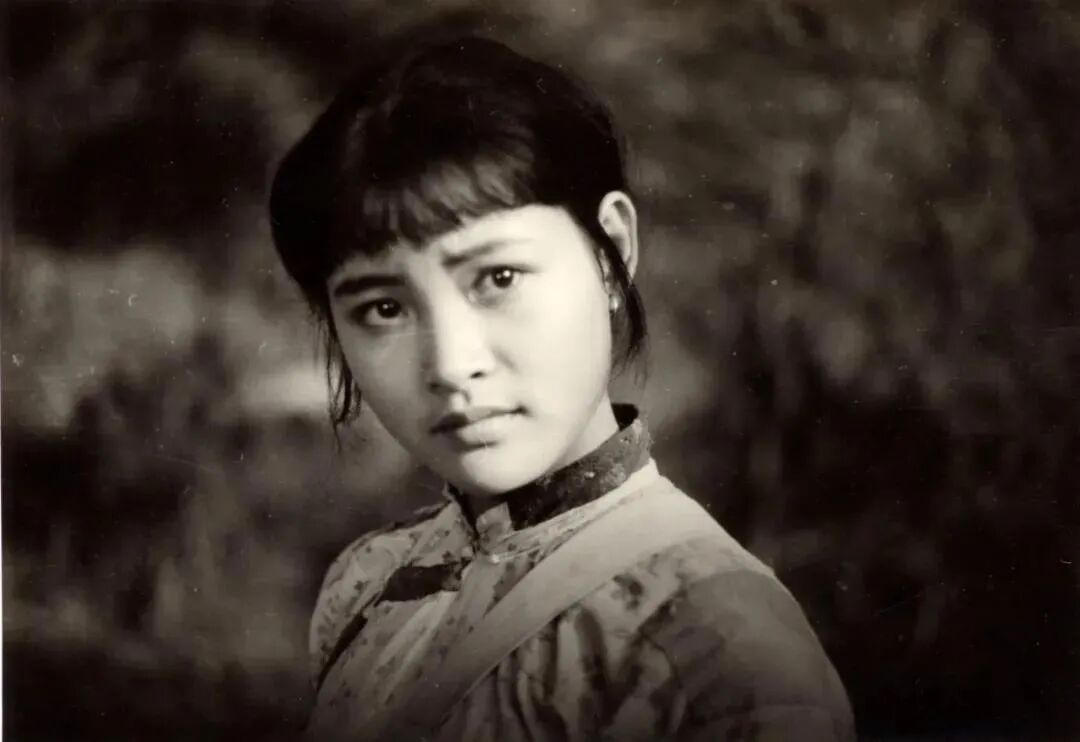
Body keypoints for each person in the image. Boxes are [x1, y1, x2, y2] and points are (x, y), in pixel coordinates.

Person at [269, 34, 854, 741]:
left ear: (613, 252)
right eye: (384, 308)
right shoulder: (367, 585)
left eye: (499, 278)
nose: (451, 364)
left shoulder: (721, 649)